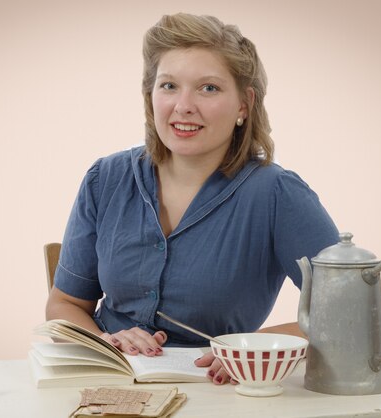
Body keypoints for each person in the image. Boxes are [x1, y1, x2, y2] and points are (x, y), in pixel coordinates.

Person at [45, 13, 339, 385]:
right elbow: (65, 304)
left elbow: (350, 312)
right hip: (105, 379)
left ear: (244, 105)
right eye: (169, 86)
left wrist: (255, 346)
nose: (183, 106)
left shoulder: (277, 194)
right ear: (150, 94)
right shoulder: (106, 178)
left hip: (220, 392)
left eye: (209, 88)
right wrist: (105, 341)